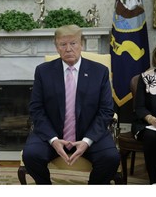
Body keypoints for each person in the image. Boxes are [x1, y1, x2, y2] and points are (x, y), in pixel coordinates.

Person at [22, 24, 120, 184]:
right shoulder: (43, 71)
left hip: (90, 133)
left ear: (82, 44)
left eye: (73, 43)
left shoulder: (100, 72)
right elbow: (36, 109)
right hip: (52, 132)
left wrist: (87, 141)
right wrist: (53, 140)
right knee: (31, 155)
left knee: (111, 158)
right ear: (56, 47)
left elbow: (106, 110)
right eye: (63, 44)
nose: (68, 49)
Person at [131, 41, 156, 184]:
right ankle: (154, 181)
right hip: (147, 124)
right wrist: (152, 120)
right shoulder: (146, 78)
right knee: (152, 136)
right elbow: (140, 107)